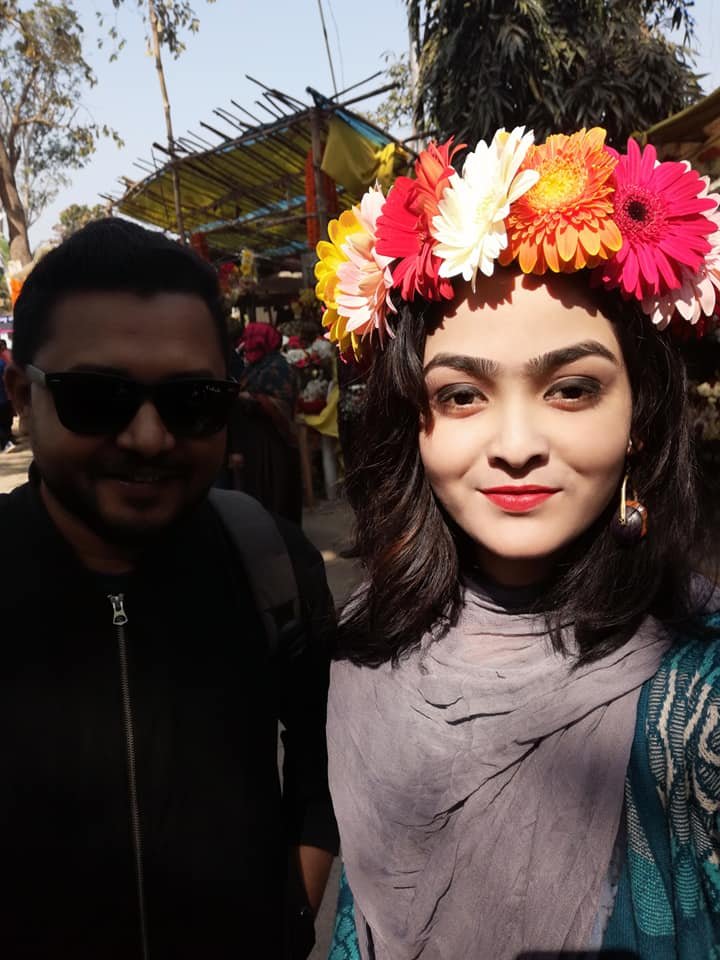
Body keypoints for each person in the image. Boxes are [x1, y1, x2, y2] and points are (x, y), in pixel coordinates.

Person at [315, 129, 720, 958]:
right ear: (413, 423)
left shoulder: (701, 685)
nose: (515, 446)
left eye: (571, 389)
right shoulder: (369, 641)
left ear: (641, 419)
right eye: (461, 396)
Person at [1, 218, 338, 959]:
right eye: (98, 398)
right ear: (21, 395)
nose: (149, 438)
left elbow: (326, 766)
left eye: (192, 402)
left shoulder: (272, 565)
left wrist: (291, 914)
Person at [229, 321, 303, 524]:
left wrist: (251, 399)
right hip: (253, 444)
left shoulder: (278, 367)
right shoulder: (254, 367)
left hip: (274, 443)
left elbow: (282, 403)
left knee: (276, 494)